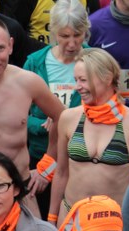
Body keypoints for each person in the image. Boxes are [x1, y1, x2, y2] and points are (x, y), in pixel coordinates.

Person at [0, 17, 65, 218]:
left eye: (0, 48)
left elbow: (63, 117)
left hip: (22, 187)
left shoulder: (27, 82)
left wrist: (48, 165)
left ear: (11, 46)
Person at [51, 48, 129, 224]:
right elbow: (61, 172)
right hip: (72, 217)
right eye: (76, 80)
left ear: (108, 78)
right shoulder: (69, 118)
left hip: (113, 223)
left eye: (83, 80)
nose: (78, 86)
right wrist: (52, 219)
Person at [23, 0, 88, 168]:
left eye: (77, 35)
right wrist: (43, 125)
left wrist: (66, 118)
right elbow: (18, 116)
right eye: (64, 36)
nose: (72, 43)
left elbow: (110, 106)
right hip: (41, 153)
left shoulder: (96, 62)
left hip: (83, 155)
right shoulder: (35, 63)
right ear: (53, 31)